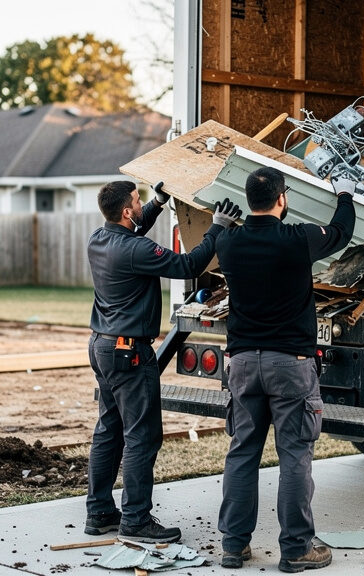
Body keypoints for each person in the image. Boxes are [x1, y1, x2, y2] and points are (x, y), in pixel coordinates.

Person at [85, 180, 241, 544]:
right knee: (142, 436)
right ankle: (136, 519)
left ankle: (100, 512)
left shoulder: (99, 238)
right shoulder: (136, 250)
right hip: (129, 353)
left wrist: (156, 203)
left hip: (102, 347)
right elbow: (190, 264)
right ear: (126, 211)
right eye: (138, 201)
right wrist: (217, 226)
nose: (140, 205)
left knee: (109, 429)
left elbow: (134, 230)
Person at [215, 167, 356, 572]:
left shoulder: (228, 243)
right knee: (294, 454)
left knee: (242, 452)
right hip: (290, 364)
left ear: (248, 201)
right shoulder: (298, 240)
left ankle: (233, 546)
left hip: (242, 363)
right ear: (282, 198)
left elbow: (218, 239)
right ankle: (296, 549)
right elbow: (341, 232)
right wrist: (343, 194)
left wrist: (217, 226)